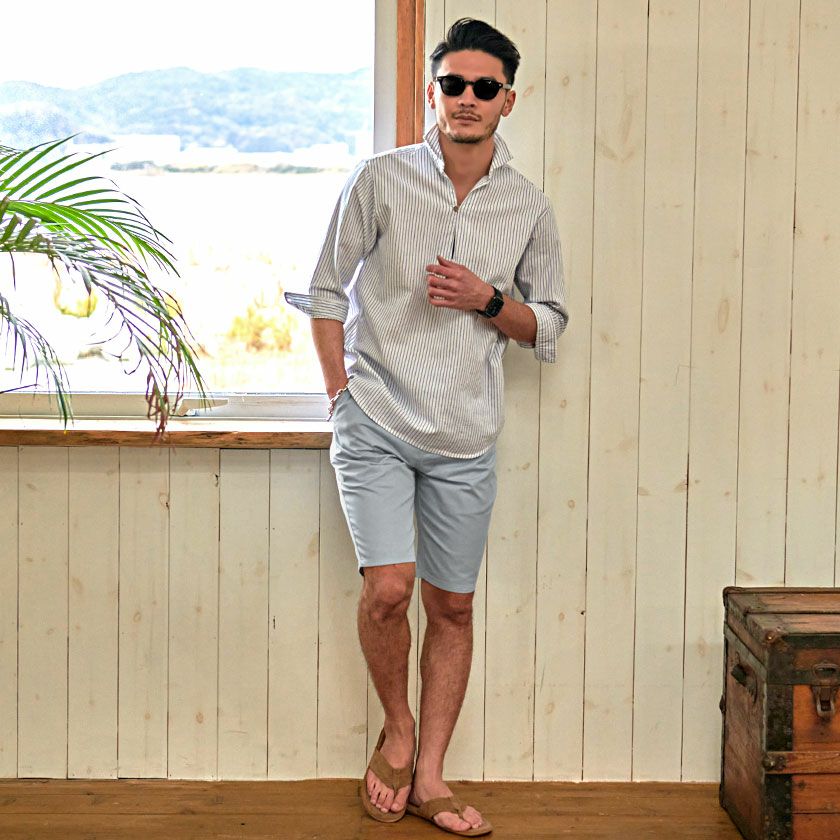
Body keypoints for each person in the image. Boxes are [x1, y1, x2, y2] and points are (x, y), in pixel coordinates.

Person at [285, 17, 568, 837]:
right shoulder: (379, 180)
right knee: (388, 592)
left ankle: (432, 774)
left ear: (508, 99)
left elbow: (549, 325)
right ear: (432, 92)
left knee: (452, 607)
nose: (467, 98)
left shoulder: (528, 205)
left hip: (465, 435)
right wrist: (339, 393)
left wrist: (488, 299)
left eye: (485, 86)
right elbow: (326, 289)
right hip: (374, 417)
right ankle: (398, 733)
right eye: (453, 84)